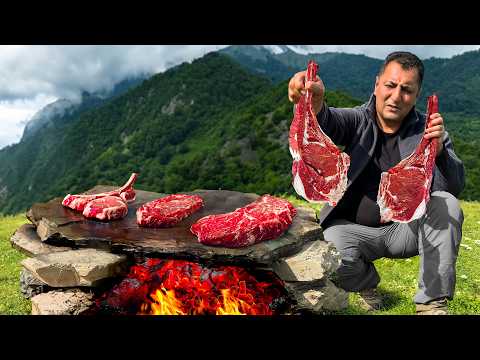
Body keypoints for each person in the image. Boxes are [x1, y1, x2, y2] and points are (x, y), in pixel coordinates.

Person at [287, 51, 465, 315]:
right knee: (327, 249)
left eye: (406, 90)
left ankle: (431, 303)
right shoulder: (358, 119)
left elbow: (455, 186)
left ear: (417, 95)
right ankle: (367, 284)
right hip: (355, 231)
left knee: (447, 204)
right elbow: (327, 121)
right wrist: (314, 102)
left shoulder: (430, 133)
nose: (396, 96)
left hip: (406, 230)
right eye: (391, 85)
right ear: (377, 84)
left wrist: (439, 154)